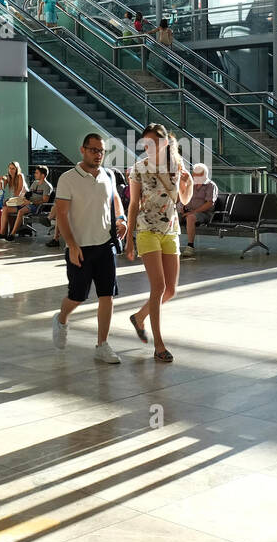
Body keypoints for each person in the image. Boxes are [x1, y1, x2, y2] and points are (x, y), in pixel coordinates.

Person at [51, 133, 128, 364]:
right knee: (77, 297)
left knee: (107, 296)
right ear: (83, 150)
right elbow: (62, 214)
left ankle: (102, 345)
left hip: (105, 246)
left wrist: (121, 217)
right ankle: (62, 318)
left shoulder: (109, 175)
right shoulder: (67, 178)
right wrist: (72, 245)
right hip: (80, 248)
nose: (98, 155)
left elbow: (114, 198)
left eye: (101, 151)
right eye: (93, 150)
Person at [125, 124, 192, 363]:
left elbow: (183, 199)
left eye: (152, 142)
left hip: (171, 230)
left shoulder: (177, 165)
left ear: (164, 142)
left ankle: (139, 316)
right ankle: (159, 345)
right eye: (145, 143)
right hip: (146, 229)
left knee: (171, 290)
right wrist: (129, 238)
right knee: (159, 287)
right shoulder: (139, 168)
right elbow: (133, 204)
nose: (148, 147)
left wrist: (187, 183)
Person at [179, 163, 218, 257]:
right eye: (194, 174)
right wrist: (182, 208)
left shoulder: (210, 185)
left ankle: (190, 246)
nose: (194, 176)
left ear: (204, 174)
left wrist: (193, 212)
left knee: (191, 217)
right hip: (188, 211)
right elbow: (181, 197)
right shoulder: (191, 184)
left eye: (197, 174)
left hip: (204, 213)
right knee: (173, 216)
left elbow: (209, 203)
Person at [11, 165, 52, 238]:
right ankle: (4, 233)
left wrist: (30, 202)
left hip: (36, 206)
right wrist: (23, 196)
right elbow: (29, 195)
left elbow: (44, 201)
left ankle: (12, 234)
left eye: (36, 173)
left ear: (43, 175)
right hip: (28, 203)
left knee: (20, 212)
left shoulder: (47, 186)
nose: (34, 174)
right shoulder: (35, 183)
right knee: (7, 208)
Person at [0, 160, 26, 241]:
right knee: (4, 207)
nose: (11, 170)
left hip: (23, 201)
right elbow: (2, 190)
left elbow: (19, 192)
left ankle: (3, 233)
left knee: (5, 207)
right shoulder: (9, 177)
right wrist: (0, 181)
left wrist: (9, 200)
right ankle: (3, 233)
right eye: (10, 168)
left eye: (13, 168)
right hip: (16, 201)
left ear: (17, 169)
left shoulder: (20, 176)